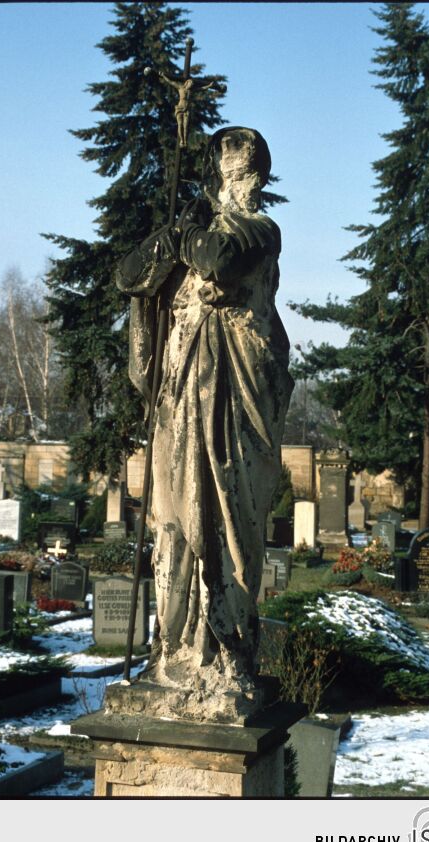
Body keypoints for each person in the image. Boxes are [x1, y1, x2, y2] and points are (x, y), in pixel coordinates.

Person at [116, 127, 293, 694]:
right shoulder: (197, 229)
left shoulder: (261, 231)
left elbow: (217, 260)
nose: (235, 184)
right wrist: (170, 234)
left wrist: (185, 231)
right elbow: (127, 277)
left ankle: (224, 650)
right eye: (226, 173)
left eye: (243, 174)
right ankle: (173, 648)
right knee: (173, 523)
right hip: (183, 394)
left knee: (226, 527)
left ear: (259, 177)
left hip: (234, 405)